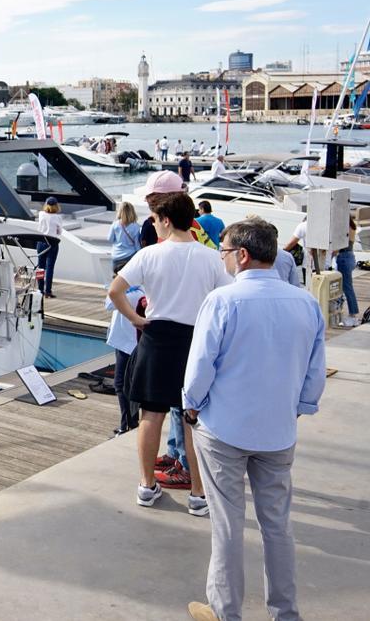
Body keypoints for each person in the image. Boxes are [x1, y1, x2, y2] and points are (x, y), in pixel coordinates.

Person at [182, 219, 326, 621]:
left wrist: (191, 405)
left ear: (242, 255)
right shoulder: (305, 302)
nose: (222, 258)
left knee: (227, 525)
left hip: (223, 428)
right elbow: (315, 372)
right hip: (279, 430)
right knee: (277, 525)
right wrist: (299, 407)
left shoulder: (223, 300)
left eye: (224, 251)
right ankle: (285, 612)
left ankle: (227, 613)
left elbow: (200, 368)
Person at [108, 191, 231, 516]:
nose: (153, 224)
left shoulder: (149, 255)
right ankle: (198, 493)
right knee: (192, 419)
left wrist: (135, 318)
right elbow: (228, 298)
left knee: (151, 416)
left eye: (155, 219)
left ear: (165, 220)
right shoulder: (210, 256)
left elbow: (115, 290)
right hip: (194, 341)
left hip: (156, 336)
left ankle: (147, 485)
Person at [105, 283, 144, 436]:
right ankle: (130, 422)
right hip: (127, 342)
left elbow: (108, 304)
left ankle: (127, 425)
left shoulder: (131, 294)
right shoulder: (138, 291)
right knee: (129, 384)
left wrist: (114, 287)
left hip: (127, 345)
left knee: (121, 385)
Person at [36, 197, 63, 298]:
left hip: (41, 241)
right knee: (50, 267)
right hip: (52, 242)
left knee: (40, 266)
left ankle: (40, 289)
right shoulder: (57, 217)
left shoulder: (41, 214)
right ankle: (48, 291)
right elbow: (59, 232)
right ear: (56, 205)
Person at [108, 201, 142, 273]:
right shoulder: (136, 227)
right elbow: (137, 245)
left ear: (120, 211)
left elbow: (110, 239)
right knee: (129, 280)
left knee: (116, 278)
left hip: (116, 256)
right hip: (130, 256)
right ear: (132, 212)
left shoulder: (115, 224)